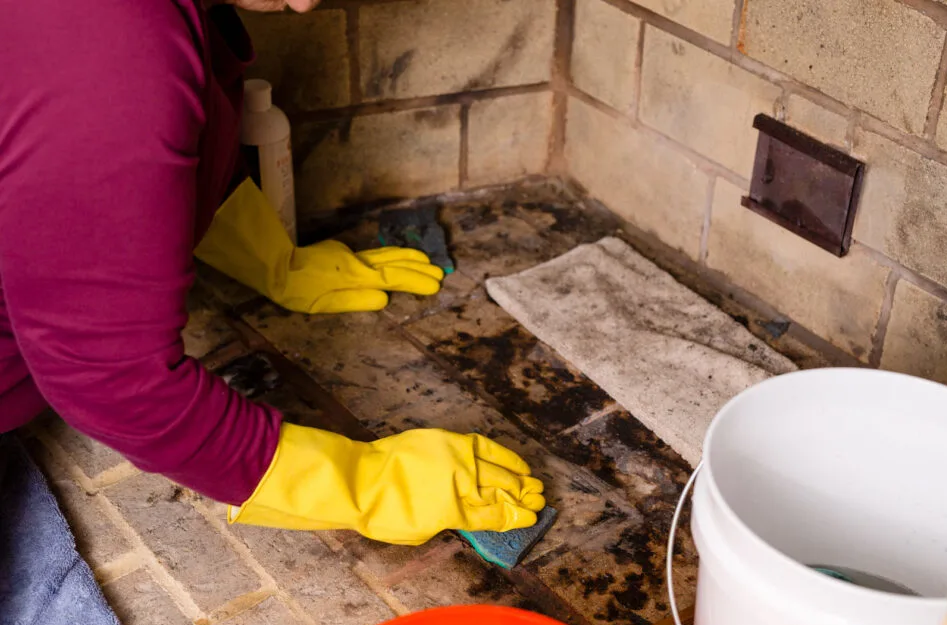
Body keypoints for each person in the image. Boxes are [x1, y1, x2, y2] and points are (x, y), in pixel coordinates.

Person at [0, 0, 544, 545]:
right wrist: (367, 483)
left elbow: (140, 161)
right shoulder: (104, 41)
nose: (308, 4)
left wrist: (270, 258)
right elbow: (110, 379)